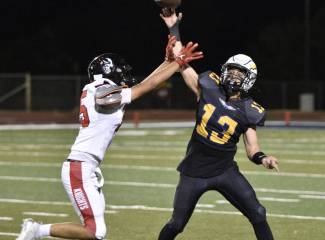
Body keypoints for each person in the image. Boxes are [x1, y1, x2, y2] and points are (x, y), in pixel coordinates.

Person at [16, 35, 203, 240]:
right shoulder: (100, 90)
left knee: (94, 231)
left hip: (86, 167)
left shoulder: (100, 89)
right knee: (95, 232)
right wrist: (176, 63)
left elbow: (145, 83)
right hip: (80, 168)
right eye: (120, 71)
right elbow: (144, 88)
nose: (124, 75)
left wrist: (169, 61)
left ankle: (36, 231)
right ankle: (36, 231)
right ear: (108, 71)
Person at [158, 11, 279, 240]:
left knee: (258, 213)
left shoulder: (250, 110)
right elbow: (181, 61)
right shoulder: (207, 87)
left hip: (225, 171)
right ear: (223, 71)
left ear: (249, 78)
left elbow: (252, 148)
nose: (233, 76)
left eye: (239, 72)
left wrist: (264, 158)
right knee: (176, 224)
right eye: (231, 70)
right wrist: (174, 27)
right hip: (193, 172)